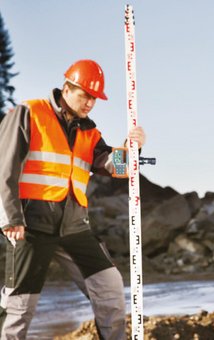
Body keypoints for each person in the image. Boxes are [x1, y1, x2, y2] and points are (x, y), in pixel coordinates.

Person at [0, 59, 145, 339]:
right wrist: (10, 219)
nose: (90, 102)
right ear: (66, 89)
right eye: (84, 95)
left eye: (94, 98)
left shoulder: (89, 132)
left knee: (110, 288)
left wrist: (130, 149)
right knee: (18, 308)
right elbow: (4, 167)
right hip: (30, 228)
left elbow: (116, 166)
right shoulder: (29, 113)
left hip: (75, 227)